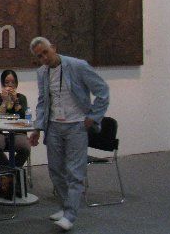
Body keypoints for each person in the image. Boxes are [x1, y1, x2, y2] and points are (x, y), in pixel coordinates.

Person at [28, 37, 110, 231]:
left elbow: (102, 90)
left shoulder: (77, 66)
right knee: (56, 171)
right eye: (39, 56)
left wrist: (94, 116)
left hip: (76, 126)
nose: (44, 58)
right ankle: (65, 207)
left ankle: (70, 215)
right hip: (54, 127)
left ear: (53, 48)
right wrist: (38, 128)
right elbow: (43, 101)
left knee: (74, 171)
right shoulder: (42, 73)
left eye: (45, 52)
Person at [0, 69, 31, 167]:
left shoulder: (22, 98)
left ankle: (11, 172)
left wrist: (16, 101)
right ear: (2, 84)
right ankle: (9, 171)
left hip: (18, 132)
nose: (10, 85)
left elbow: (23, 118)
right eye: (7, 82)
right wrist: (4, 101)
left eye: (13, 82)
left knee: (25, 148)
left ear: (16, 84)